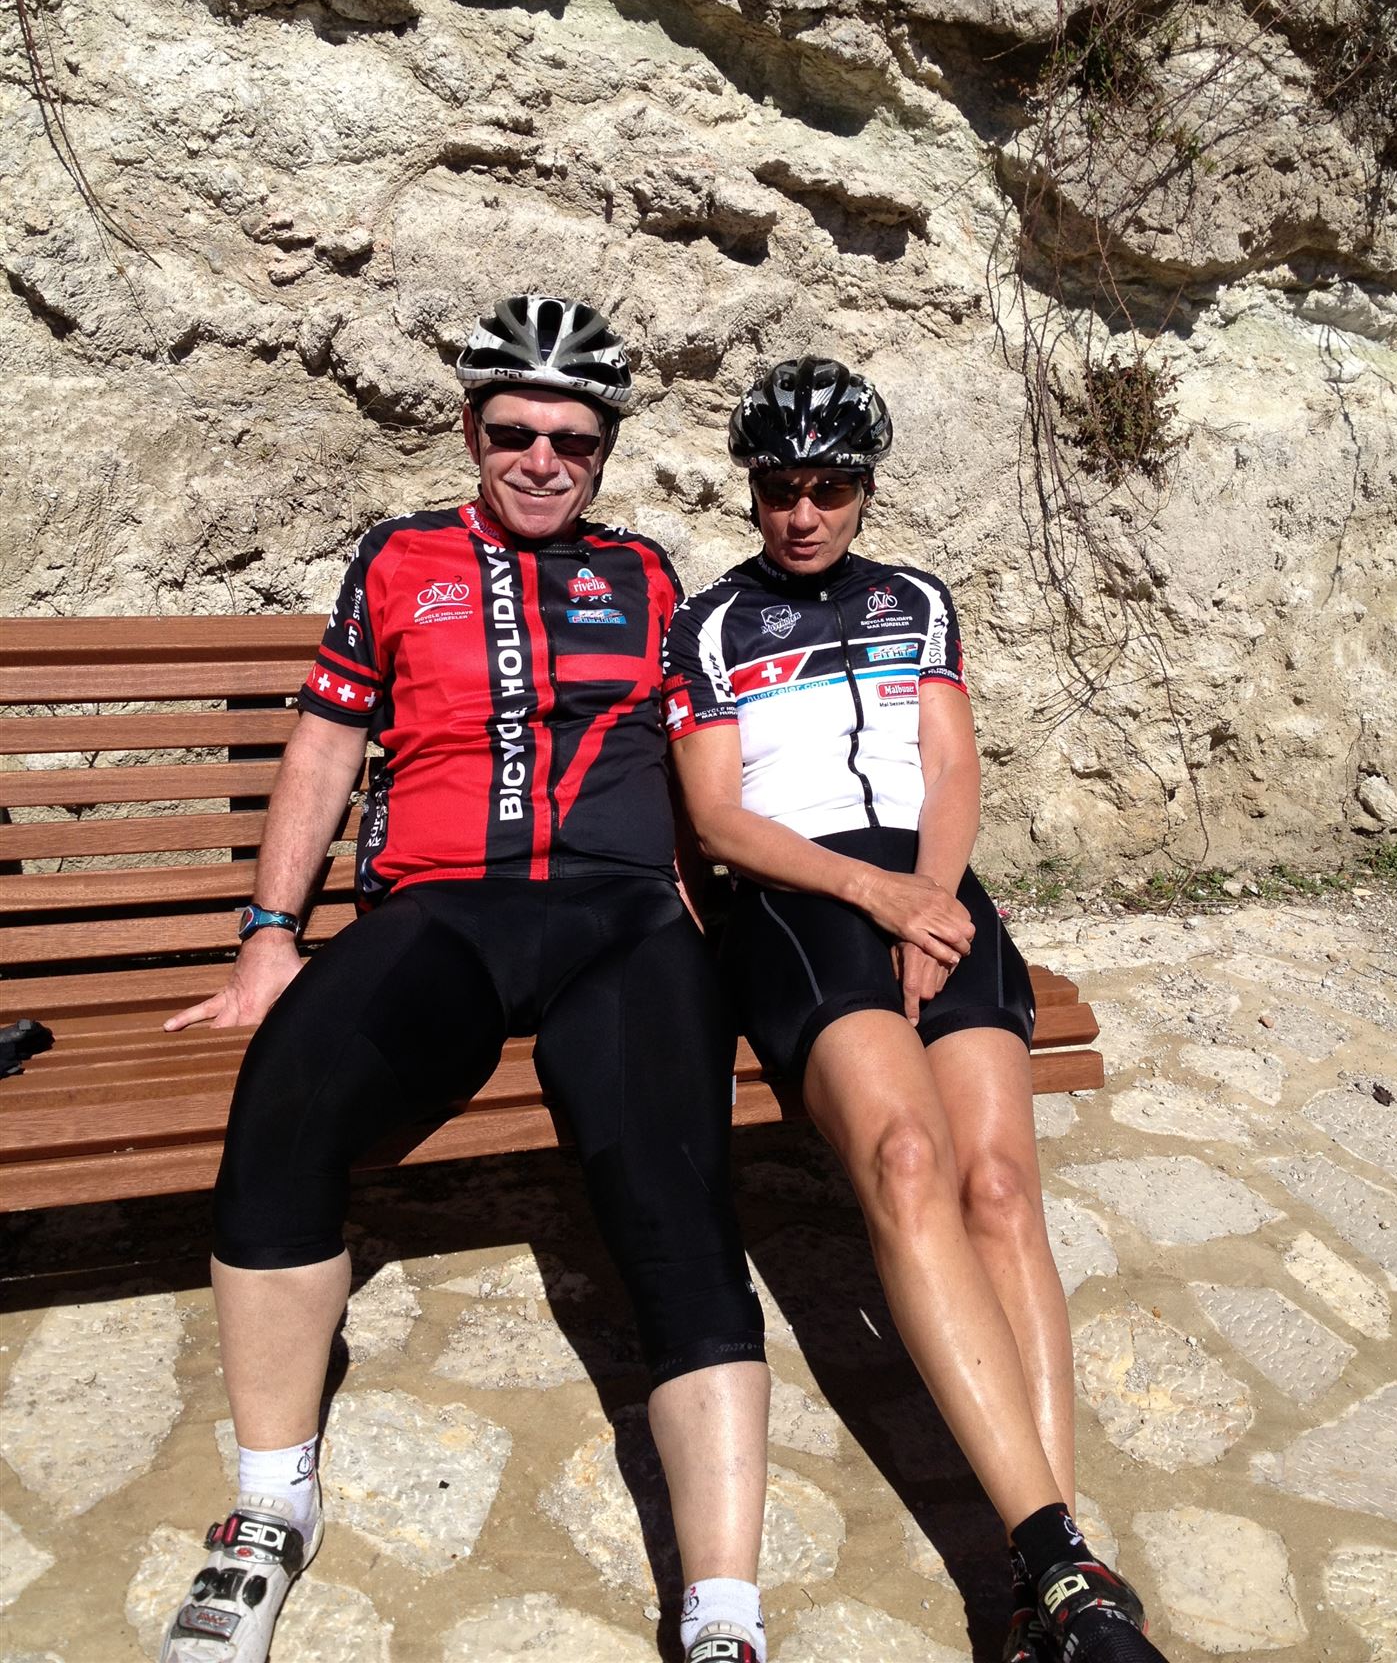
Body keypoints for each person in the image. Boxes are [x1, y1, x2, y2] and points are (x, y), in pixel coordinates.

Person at [159, 297, 770, 1663]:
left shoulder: (648, 576)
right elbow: (328, 746)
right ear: (472, 432)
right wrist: (270, 931)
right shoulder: (399, 557)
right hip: (444, 911)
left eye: (573, 439)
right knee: (286, 1103)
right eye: (513, 433)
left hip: (620, 921)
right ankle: (269, 1510)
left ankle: (725, 1614)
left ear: (604, 451)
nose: (541, 460)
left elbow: (702, 765)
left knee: (677, 1196)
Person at [662, 357, 1168, 1663]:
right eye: (780, 489)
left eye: (830, 490)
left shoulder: (918, 602)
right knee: (904, 1156)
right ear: (753, 491)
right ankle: (1059, 1560)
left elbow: (950, 764)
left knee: (999, 1185)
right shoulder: (710, 625)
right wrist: (876, 897)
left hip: (932, 886)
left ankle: (1052, 1581)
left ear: (865, 492)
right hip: (802, 892)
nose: (803, 514)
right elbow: (719, 819)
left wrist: (933, 900)